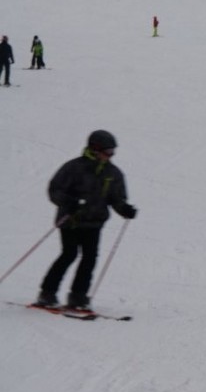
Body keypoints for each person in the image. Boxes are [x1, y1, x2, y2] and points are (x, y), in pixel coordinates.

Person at [35, 130, 138, 310]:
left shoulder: (113, 173)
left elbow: (117, 198)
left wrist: (125, 209)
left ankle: (78, 297)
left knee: (89, 258)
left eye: (112, 152)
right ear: (95, 148)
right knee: (69, 254)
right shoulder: (74, 167)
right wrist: (69, 203)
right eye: (107, 151)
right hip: (71, 220)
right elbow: (55, 190)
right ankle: (47, 293)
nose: (110, 156)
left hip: (94, 223)